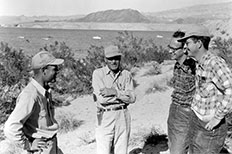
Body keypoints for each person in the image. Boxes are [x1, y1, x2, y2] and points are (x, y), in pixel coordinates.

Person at [178, 25, 232, 154]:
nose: (185, 47)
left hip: (210, 128)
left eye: (188, 43)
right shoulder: (199, 63)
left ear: (199, 43)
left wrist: (218, 117)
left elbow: (230, 89)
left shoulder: (214, 63)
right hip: (197, 121)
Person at [4, 50, 64, 154]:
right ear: (44, 70)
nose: (57, 72)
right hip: (41, 149)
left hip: (50, 145)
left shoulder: (44, 92)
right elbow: (11, 127)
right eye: (54, 69)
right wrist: (28, 145)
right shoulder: (30, 95)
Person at [92, 45, 136, 154]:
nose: (114, 62)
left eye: (116, 58)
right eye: (110, 59)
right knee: (103, 149)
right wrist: (123, 95)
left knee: (122, 149)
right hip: (105, 115)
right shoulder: (98, 74)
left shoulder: (126, 75)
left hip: (123, 114)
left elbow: (132, 98)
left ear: (120, 59)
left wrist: (114, 92)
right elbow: (102, 100)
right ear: (105, 60)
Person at [167, 31, 196, 154]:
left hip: (186, 112)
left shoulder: (193, 67)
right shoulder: (176, 65)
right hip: (174, 110)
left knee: (178, 151)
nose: (170, 51)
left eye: (173, 48)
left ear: (184, 49)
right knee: (172, 146)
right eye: (169, 47)